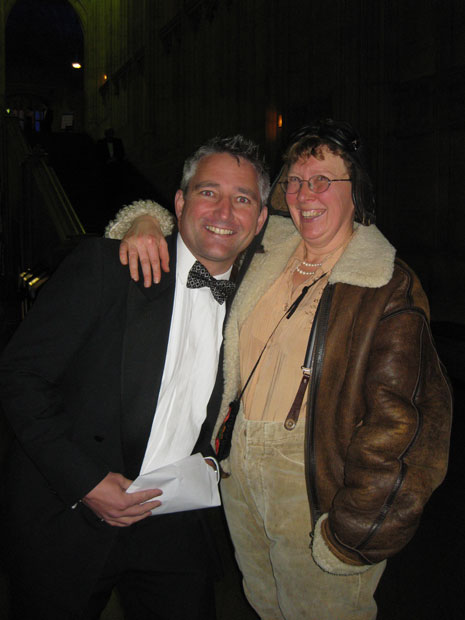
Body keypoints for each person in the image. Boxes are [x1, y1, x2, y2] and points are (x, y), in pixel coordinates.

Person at [107, 119, 452, 620]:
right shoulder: (268, 249)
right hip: (239, 471)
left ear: (357, 191)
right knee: (266, 605)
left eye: (322, 181)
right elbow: (208, 225)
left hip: (314, 484)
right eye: (294, 180)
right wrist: (143, 219)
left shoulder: (384, 284)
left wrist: (357, 527)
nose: (302, 193)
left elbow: (409, 424)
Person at [0, 135, 269, 620]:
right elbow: (20, 375)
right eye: (209, 192)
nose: (225, 212)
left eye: (243, 199)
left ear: (262, 218)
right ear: (180, 201)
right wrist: (86, 482)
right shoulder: (107, 267)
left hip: (175, 521)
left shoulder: (260, 299)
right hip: (72, 509)